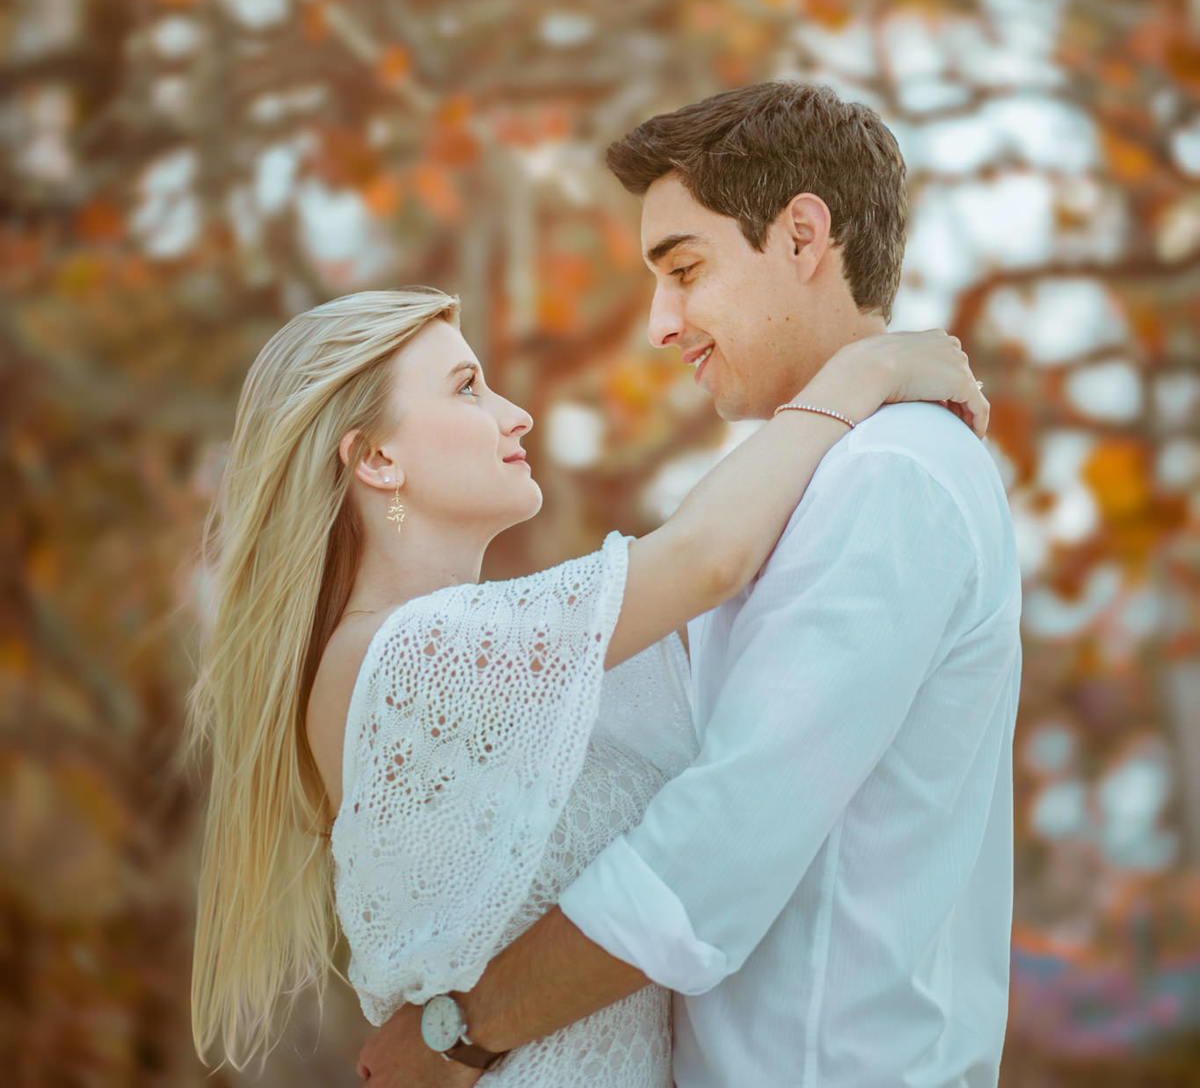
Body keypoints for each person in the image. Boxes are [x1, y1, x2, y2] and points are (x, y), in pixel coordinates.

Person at [357, 80, 1023, 1088]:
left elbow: (720, 849)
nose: (663, 323)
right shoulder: (818, 483)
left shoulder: (893, 477)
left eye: (686, 269)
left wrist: (461, 1032)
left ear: (804, 238)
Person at [185, 285, 986, 1079]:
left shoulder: (476, 653)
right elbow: (705, 559)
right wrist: (862, 373)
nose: (515, 413)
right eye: (467, 389)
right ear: (378, 459)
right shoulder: (411, 657)